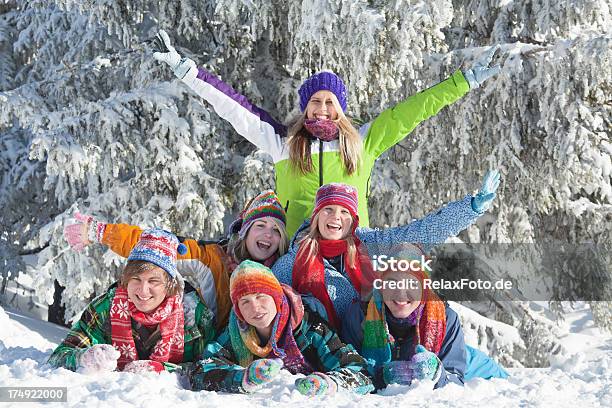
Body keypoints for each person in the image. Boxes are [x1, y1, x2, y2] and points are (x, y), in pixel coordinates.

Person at [152, 30, 502, 235]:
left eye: (330, 102)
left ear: (341, 109)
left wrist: (463, 81)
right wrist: (188, 71)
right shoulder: (283, 143)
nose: (322, 108)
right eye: (315, 101)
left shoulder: (363, 143)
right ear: (305, 108)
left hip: (352, 252)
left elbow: (414, 110)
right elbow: (233, 107)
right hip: (294, 258)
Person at [272, 170, 500, 334]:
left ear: (353, 220)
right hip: (324, 353)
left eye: (344, 211)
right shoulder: (291, 262)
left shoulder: (370, 244)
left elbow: (419, 233)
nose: (335, 217)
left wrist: (471, 208)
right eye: (328, 210)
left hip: (376, 342)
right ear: (316, 216)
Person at [63, 190, 289, 328]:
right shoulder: (214, 258)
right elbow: (158, 246)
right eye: (260, 226)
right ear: (245, 231)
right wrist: (100, 231)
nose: (268, 235)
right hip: (208, 345)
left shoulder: (283, 271)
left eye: (276, 230)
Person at [189, 260, 374, 396]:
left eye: (261, 296)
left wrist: (328, 384)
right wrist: (244, 378)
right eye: (245, 302)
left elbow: (359, 369)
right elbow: (200, 369)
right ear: (238, 311)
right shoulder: (235, 331)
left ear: (277, 298)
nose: (255, 308)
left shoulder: (310, 326)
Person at [48, 228, 216, 373]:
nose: (143, 290)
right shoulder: (104, 309)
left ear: (169, 285)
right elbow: (59, 356)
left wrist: (164, 370)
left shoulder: (195, 316)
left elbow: (208, 368)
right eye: (136, 279)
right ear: (126, 280)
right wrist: (83, 358)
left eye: (153, 281)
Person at [342, 244, 509, 390]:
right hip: (405, 345)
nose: (401, 294)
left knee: (504, 380)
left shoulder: (446, 318)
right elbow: (348, 369)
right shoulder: (359, 316)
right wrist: (381, 377)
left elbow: (455, 379)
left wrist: (437, 373)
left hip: (470, 362)